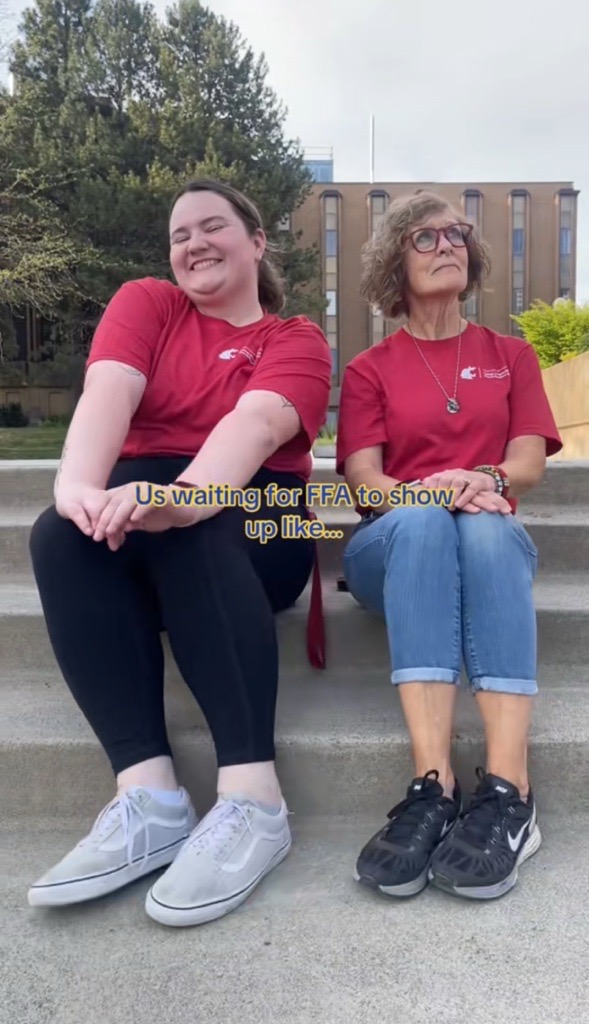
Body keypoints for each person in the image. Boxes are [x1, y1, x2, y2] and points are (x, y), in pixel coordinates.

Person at [27, 178, 332, 926]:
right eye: (178, 234)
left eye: (213, 226)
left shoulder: (293, 339)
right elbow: (108, 394)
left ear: (257, 243)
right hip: (148, 506)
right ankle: (150, 798)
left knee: (200, 527)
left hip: (266, 517)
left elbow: (254, 428)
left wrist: (181, 500)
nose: (193, 243)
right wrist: (78, 493)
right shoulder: (148, 305)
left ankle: (254, 801)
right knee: (59, 537)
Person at [336, 189, 562, 901]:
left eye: (456, 235)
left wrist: (483, 477)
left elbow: (526, 462)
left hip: (484, 537)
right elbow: (367, 484)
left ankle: (506, 792)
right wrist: (433, 492)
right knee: (435, 520)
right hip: (394, 548)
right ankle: (431, 785)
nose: (447, 247)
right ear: (394, 263)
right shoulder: (370, 368)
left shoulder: (509, 354)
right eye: (425, 239)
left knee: (488, 529)